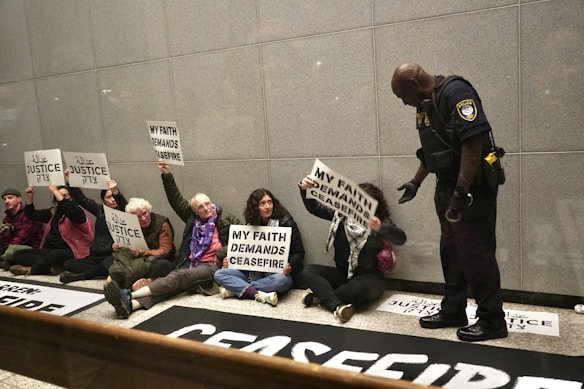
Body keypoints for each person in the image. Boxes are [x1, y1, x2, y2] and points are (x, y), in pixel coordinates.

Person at [391, 62, 507, 342]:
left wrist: (460, 192)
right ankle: (453, 309)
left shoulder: (456, 93)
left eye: (402, 96)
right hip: (446, 187)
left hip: (471, 190)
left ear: (413, 84)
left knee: (476, 254)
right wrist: (416, 182)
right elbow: (432, 151)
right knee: (452, 251)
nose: (405, 103)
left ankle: (492, 320)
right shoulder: (425, 104)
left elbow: (473, 143)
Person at [103, 160, 240, 319]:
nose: (206, 208)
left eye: (207, 204)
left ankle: (128, 295)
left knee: (177, 277)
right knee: (171, 287)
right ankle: (130, 306)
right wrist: (166, 174)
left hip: (212, 266)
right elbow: (176, 200)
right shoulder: (193, 219)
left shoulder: (225, 218)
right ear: (195, 211)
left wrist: (224, 253)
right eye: (200, 206)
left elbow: (242, 240)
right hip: (191, 263)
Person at [298, 177, 406, 322]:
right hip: (344, 274)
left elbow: (401, 238)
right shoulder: (341, 216)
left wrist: (381, 227)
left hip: (370, 279)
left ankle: (321, 298)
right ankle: (337, 305)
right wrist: (305, 190)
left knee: (349, 291)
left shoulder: (378, 221)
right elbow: (315, 208)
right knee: (308, 271)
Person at [214, 188, 305, 306]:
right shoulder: (250, 224)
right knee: (219, 274)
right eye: (262, 203)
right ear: (255, 208)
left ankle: (238, 290)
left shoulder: (286, 223)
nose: (268, 206)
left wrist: (290, 265)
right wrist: (230, 260)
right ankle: (257, 293)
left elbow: (299, 253)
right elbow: (243, 252)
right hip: (252, 273)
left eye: (270, 202)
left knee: (281, 282)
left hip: (276, 274)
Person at [9, 184, 94, 276]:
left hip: (72, 251)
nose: (61, 198)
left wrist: (55, 191)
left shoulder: (77, 212)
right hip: (50, 250)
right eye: (59, 195)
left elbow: (69, 209)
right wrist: (30, 197)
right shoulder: (54, 212)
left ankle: (32, 270)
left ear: (72, 198)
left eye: (65, 196)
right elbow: (31, 214)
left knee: (54, 255)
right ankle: (50, 266)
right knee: (18, 254)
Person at [59, 172, 128, 283]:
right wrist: (70, 182)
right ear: (103, 200)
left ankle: (82, 276)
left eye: (114, 196)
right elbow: (83, 200)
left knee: (109, 263)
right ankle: (99, 272)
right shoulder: (100, 210)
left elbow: (125, 206)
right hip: (95, 255)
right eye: (109, 197)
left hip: (112, 255)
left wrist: (116, 192)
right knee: (68, 264)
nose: (113, 199)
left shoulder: (124, 213)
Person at [103, 197, 176, 293]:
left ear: (149, 211)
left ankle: (121, 282)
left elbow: (165, 251)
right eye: (138, 217)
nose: (144, 219)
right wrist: (119, 246)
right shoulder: (130, 224)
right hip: (136, 260)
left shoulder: (162, 224)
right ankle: (135, 283)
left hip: (155, 258)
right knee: (108, 261)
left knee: (164, 265)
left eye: (145, 213)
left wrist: (143, 252)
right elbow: (127, 245)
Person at [0, 188, 43, 270]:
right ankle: (7, 261)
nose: (6, 201)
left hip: (30, 247)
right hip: (12, 245)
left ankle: (6, 261)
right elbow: (5, 238)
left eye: (10, 198)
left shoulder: (28, 214)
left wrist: (7, 247)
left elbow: (23, 237)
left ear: (19, 199)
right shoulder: (7, 218)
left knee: (12, 250)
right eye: (4, 199)